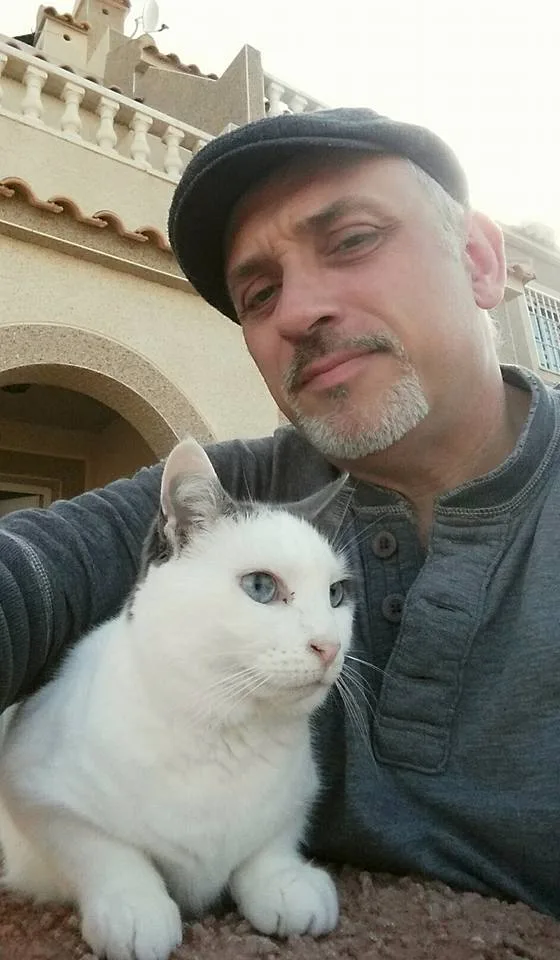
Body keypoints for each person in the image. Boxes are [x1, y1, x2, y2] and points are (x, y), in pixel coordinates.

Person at [1, 107, 559, 918]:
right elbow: (32, 574)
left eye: (353, 240)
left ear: (477, 261)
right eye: (259, 294)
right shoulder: (241, 493)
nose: (296, 314)